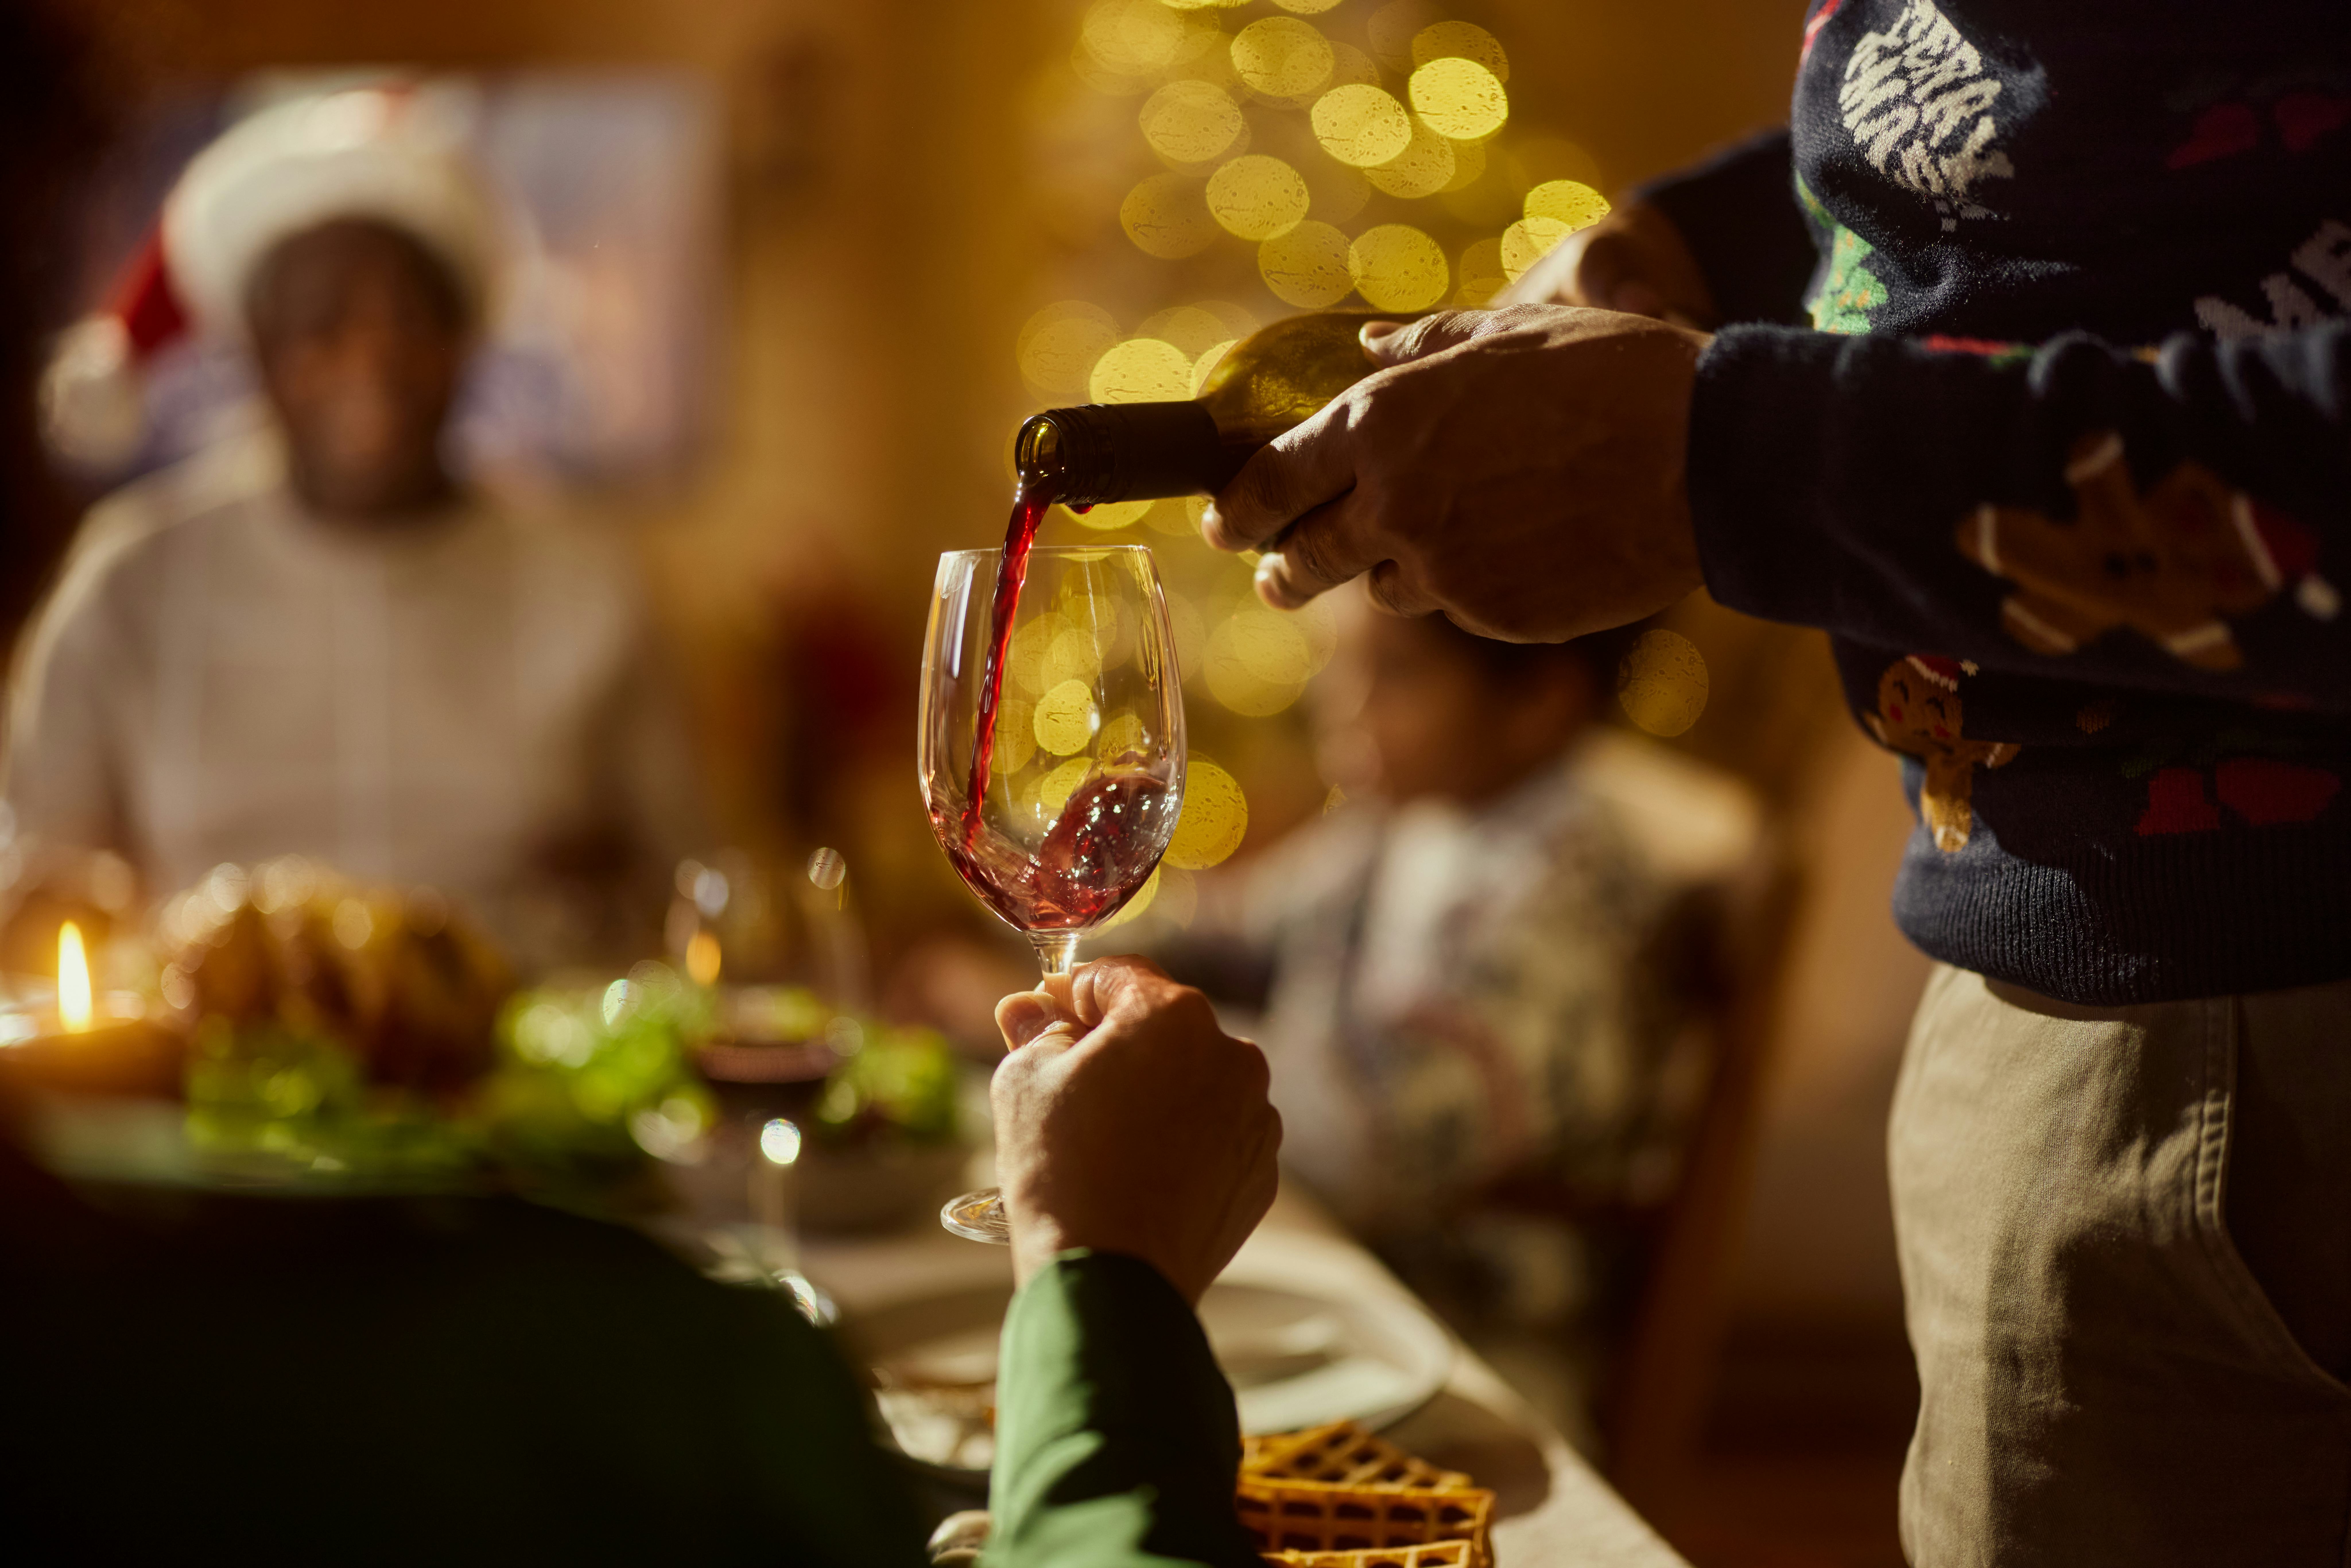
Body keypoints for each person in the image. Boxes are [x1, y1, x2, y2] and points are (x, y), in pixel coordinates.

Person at [1193, 3, 2351, 1563]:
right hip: (2054, 986)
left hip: (2256, 1029)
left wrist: (1725, 455)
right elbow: (2075, 100)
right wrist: (1701, 243)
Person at [5, 89, 706, 971]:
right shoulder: (131, 579)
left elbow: (700, 885)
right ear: (257, 349)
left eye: (411, 317)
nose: (373, 358)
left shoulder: (587, 583)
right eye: (323, 323)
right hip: (203, 1074)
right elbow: (38, 887)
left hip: (520, 1078)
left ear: (465, 339)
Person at [1167, 590, 1754, 1436]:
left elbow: (1375, 1128)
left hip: (1470, 1345)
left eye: (1394, 674)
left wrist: (1146, 1048)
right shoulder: (1403, 823)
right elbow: (1233, 932)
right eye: (1345, 665)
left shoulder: (1572, 903)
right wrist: (1070, 947)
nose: (1345, 703)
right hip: (1344, 1279)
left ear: (1538, 704)